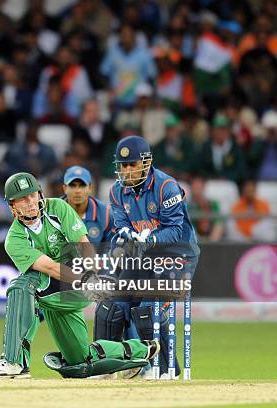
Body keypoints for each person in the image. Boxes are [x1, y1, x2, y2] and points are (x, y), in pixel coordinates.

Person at [0, 172, 159, 379]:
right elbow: (49, 268)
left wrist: (91, 275)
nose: (30, 202)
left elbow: (83, 244)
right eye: (22, 199)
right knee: (80, 361)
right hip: (57, 291)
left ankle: (14, 362)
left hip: (76, 286)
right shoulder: (15, 240)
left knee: (22, 286)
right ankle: (138, 350)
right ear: (12, 207)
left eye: (32, 195)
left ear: (40, 194)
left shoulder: (57, 207)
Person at [106, 135, 200, 379]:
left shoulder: (165, 186)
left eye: (132, 165)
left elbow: (175, 230)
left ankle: (169, 369)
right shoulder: (117, 192)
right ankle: (124, 365)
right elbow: (121, 227)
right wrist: (124, 240)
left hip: (177, 254)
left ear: (146, 163)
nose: (126, 171)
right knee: (114, 306)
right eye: (122, 166)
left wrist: (149, 238)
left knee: (148, 309)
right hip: (143, 255)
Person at [61, 165, 114, 246]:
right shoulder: (51, 212)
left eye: (82, 185)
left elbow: (110, 249)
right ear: (65, 188)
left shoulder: (106, 215)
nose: (77, 190)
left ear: (90, 188)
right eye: (72, 185)